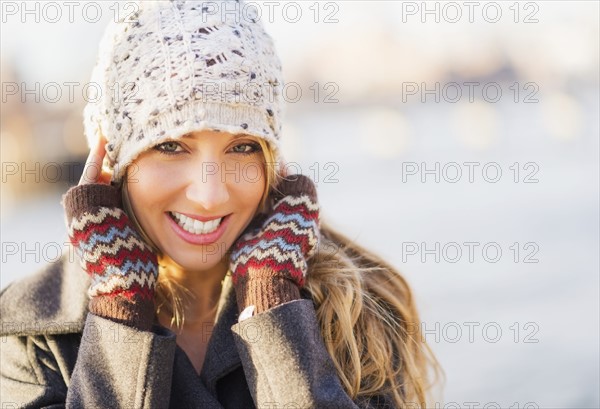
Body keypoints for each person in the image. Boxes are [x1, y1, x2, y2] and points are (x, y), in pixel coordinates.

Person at [0, 1, 441, 407]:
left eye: (243, 146)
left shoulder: (358, 307)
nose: (210, 195)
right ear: (110, 159)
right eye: (171, 146)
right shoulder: (29, 335)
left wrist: (274, 306)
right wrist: (120, 307)